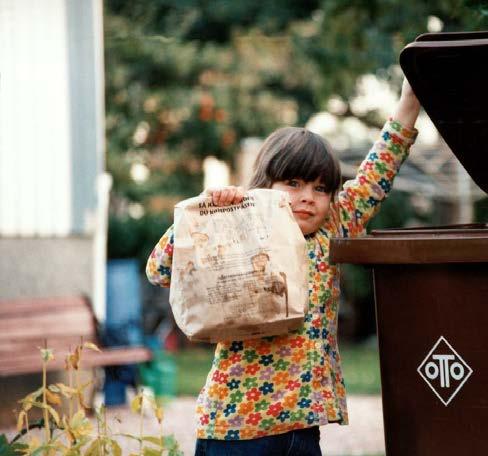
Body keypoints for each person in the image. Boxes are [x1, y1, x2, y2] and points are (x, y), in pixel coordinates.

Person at [146, 78, 421, 455]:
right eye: (293, 183)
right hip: (233, 432)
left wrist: (409, 99)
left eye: (321, 188)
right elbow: (159, 269)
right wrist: (208, 211)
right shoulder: (238, 226)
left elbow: (378, 172)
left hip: (301, 431)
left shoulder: (331, 228)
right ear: (265, 185)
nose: (308, 197)